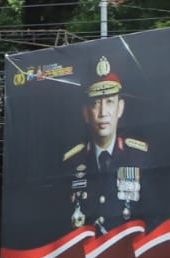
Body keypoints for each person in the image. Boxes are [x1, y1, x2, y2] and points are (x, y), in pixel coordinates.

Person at [64, 56, 152, 232]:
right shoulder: (72, 161)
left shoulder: (140, 157)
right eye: (96, 103)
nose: (103, 112)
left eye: (110, 102)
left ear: (120, 108)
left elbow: (153, 216)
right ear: (86, 113)